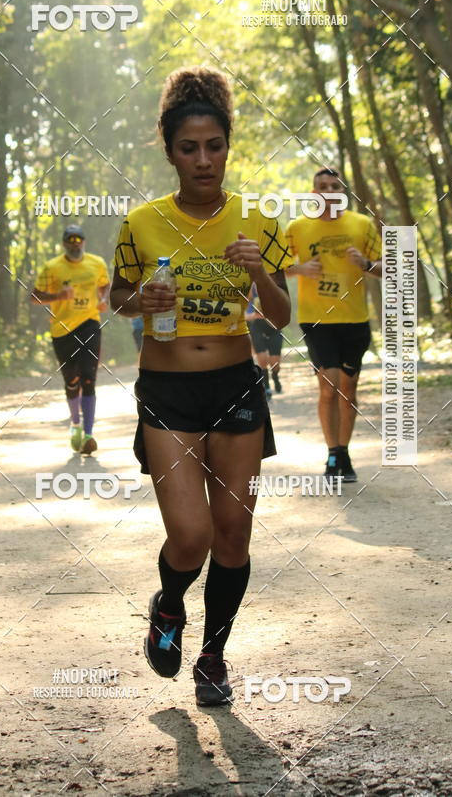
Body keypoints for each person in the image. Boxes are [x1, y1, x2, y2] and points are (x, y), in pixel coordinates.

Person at [110, 66, 291, 706]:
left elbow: (280, 314)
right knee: (191, 537)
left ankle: (213, 655)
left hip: (237, 386)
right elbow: (119, 299)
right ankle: (167, 604)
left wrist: (262, 271)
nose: (204, 159)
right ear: (170, 152)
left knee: (233, 534)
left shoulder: (256, 220)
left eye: (214, 145)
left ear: (227, 146)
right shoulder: (141, 222)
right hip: (167, 391)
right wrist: (143, 297)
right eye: (189, 148)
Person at [285, 168, 382, 482]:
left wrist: (366, 265)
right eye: (322, 187)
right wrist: (301, 268)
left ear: (343, 192)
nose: (329, 191)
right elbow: (277, 267)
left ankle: (344, 451)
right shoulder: (298, 227)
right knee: (329, 384)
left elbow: (389, 266)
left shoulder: (361, 224)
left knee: (348, 390)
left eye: (335, 186)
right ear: (314, 193)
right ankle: (333, 453)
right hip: (317, 319)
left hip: (354, 319)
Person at [31, 224, 110, 455]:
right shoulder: (52, 267)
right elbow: (35, 296)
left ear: (84, 242)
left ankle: (88, 435)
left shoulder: (97, 263)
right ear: (64, 243)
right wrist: (57, 296)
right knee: (72, 380)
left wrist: (103, 298)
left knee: (89, 377)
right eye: (70, 240)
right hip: (62, 329)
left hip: (89, 322)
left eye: (79, 240)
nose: (75, 244)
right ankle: (75, 424)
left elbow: (105, 285)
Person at [245, 282, 283, 399]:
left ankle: (275, 377)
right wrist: (252, 316)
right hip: (257, 327)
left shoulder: (274, 283)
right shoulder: (251, 287)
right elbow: (243, 311)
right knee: (262, 359)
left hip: (274, 328)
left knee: (274, 363)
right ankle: (266, 386)